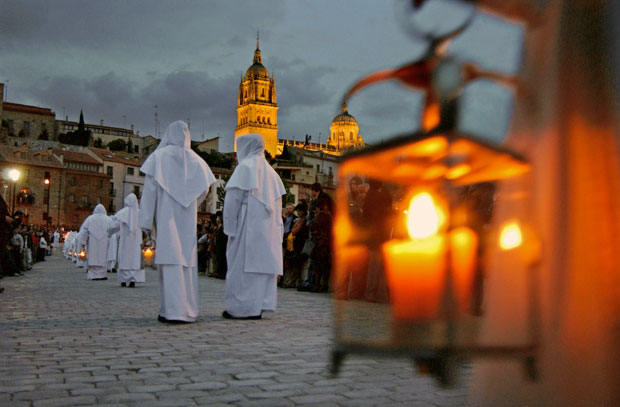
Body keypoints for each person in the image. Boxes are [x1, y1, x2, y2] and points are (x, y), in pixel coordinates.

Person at [138, 120, 215, 323]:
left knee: (170, 264)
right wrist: (192, 204)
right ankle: (188, 311)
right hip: (187, 222)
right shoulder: (197, 162)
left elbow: (149, 192)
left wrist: (146, 220)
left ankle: (170, 311)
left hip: (166, 219)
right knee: (187, 266)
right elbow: (205, 189)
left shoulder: (159, 158)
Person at [222, 133, 286, 319]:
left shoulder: (245, 168)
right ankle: (258, 305)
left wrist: (229, 228)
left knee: (242, 268)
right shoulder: (273, 174)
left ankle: (242, 308)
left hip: (246, 226)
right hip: (268, 230)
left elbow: (232, 200)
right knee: (261, 267)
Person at [109, 193, 144, 288]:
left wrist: (109, 233)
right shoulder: (141, 214)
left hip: (125, 242)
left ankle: (123, 280)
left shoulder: (122, 213)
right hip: (136, 242)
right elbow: (146, 227)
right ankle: (133, 280)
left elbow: (114, 226)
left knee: (125, 259)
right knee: (134, 259)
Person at [78, 204, 114, 280]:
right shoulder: (108, 220)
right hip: (104, 241)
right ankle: (102, 274)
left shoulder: (90, 219)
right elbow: (113, 230)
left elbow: (84, 231)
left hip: (93, 241)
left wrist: (83, 242)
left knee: (93, 257)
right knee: (103, 257)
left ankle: (93, 275)